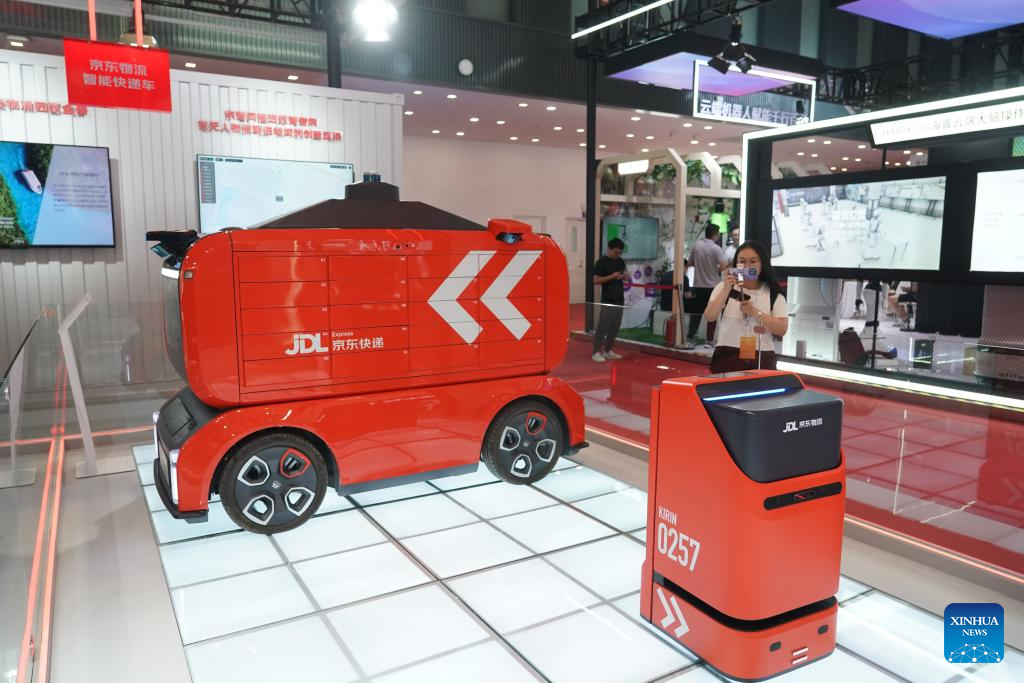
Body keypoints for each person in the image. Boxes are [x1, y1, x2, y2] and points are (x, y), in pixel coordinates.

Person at [703, 239, 788, 373]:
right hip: (727, 355)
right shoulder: (723, 287)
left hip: (762, 356)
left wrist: (754, 312)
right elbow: (709, 316)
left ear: (763, 263)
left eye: (753, 261)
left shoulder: (773, 293)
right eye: (742, 261)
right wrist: (726, 289)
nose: (747, 266)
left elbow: (782, 329)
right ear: (736, 263)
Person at [688, 224, 730, 346]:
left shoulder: (697, 246)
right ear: (715, 234)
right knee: (712, 314)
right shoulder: (716, 248)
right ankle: (709, 340)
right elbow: (723, 267)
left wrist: (702, 266)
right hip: (712, 287)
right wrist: (730, 263)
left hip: (698, 286)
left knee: (696, 314)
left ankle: (690, 337)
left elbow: (690, 263)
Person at [592, 237, 627, 362]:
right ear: (609, 249)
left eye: (620, 253)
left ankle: (608, 350)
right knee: (603, 326)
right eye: (616, 252)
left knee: (615, 327)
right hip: (607, 299)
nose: (617, 255)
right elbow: (596, 280)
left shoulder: (620, 261)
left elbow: (625, 275)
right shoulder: (601, 262)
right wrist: (612, 276)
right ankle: (596, 352)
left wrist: (625, 276)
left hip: (619, 299)